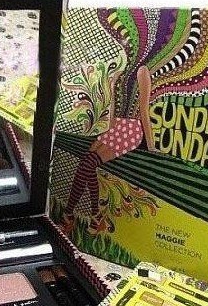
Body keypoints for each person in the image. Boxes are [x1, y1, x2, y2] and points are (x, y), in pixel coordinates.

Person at [61, 65, 158, 234]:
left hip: (131, 130)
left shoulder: (142, 71)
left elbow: (144, 109)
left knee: (88, 164)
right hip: (115, 126)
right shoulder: (118, 71)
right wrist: (107, 130)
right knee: (86, 165)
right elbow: (112, 107)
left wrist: (150, 145)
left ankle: (69, 214)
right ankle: (95, 215)